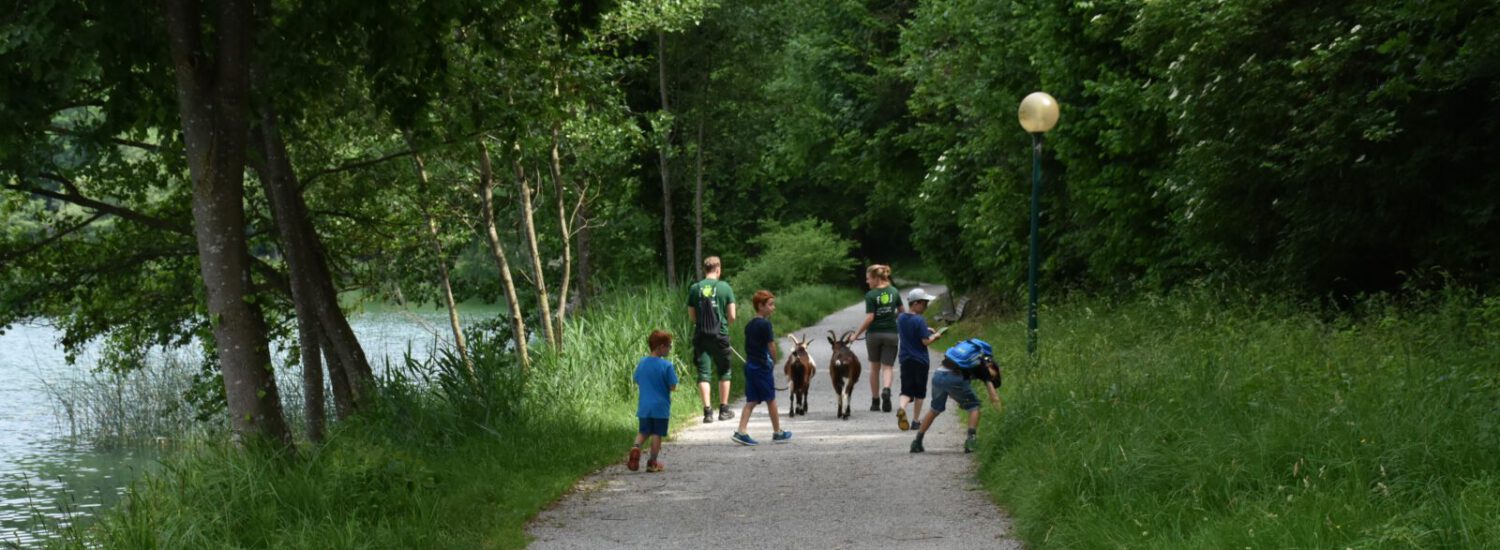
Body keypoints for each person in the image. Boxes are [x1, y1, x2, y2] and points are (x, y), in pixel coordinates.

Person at [910, 339, 1001, 454]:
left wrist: (961, 401)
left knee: (934, 409)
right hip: (954, 377)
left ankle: (917, 442)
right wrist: (1000, 414)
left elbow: (952, 389)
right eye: (995, 374)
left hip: (938, 375)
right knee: (974, 407)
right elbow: (993, 396)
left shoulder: (966, 358)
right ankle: (970, 442)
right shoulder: (982, 366)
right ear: (991, 365)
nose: (993, 377)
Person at [732, 290, 793, 446]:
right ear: (760, 306)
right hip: (761, 367)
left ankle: (741, 431)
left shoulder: (750, 324)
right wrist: (774, 360)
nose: (773, 308)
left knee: (751, 400)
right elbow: (771, 345)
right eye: (770, 305)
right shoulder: (765, 325)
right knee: (771, 399)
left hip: (750, 365)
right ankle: (778, 432)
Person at [687, 256, 737, 423]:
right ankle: (724, 410)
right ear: (718, 269)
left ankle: (707, 412)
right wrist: (723, 325)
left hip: (702, 336)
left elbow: (692, 317)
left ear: (704, 269)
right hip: (720, 335)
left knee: (704, 374)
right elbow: (732, 316)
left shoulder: (695, 288)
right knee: (724, 371)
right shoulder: (725, 287)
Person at [852, 264, 903, 412]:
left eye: (868, 279)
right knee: (888, 367)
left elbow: (870, 318)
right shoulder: (894, 291)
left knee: (874, 368)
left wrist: (856, 335)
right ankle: (886, 389)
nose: (867, 282)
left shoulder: (871, 295)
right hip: (891, 334)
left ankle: (875, 402)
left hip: (874, 335)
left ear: (875, 278)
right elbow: (902, 312)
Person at [629, 330, 679, 473]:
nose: (669, 349)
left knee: (643, 431)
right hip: (660, 407)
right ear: (660, 347)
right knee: (657, 433)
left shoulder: (642, 363)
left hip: (644, 406)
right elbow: (673, 386)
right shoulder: (667, 366)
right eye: (668, 346)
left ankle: (636, 447)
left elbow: (638, 379)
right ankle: (652, 462)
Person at [895, 288, 943, 433]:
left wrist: (925, 328)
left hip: (905, 359)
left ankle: (902, 408)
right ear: (916, 303)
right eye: (924, 303)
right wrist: (936, 336)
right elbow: (925, 342)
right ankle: (915, 421)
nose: (926, 306)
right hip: (920, 361)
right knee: (920, 392)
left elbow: (909, 329)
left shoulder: (901, 318)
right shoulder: (920, 320)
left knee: (906, 390)